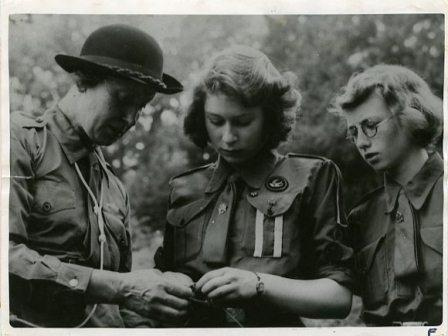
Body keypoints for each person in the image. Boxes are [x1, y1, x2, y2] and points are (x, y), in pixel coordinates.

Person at [9, 24, 194, 328]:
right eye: (122, 99)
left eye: (142, 106)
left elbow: (128, 300)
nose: (131, 119)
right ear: (82, 81)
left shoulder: (114, 187)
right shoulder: (20, 142)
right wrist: (120, 288)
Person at [156, 46, 353, 327]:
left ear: (270, 118)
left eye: (243, 121)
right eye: (215, 121)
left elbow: (339, 298)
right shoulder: (184, 187)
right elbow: (160, 285)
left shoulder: (312, 177)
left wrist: (259, 283)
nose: (228, 137)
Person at [331, 64, 443, 326]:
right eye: (354, 132)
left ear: (412, 114)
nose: (361, 142)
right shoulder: (362, 217)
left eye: (370, 125)